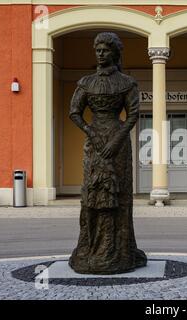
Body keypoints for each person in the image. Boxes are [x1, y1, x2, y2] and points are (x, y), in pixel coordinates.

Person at [68, 32, 147, 274]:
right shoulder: (86, 82)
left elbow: (133, 114)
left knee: (119, 195)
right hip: (94, 143)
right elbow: (75, 112)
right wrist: (90, 132)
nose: (101, 53)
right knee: (92, 194)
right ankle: (90, 250)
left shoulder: (126, 82)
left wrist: (116, 140)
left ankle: (120, 252)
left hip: (118, 142)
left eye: (105, 50)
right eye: (98, 49)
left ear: (114, 53)